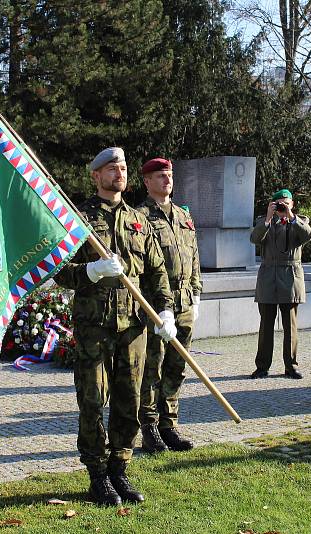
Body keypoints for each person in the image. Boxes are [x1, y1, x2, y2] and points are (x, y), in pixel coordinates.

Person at [53, 147, 175, 506]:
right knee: (92, 401)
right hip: (95, 327)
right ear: (95, 176)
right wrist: (90, 271)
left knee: (129, 401)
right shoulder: (79, 219)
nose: (118, 172)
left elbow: (157, 272)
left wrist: (165, 311)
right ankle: (97, 475)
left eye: (121, 167)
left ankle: (119, 468)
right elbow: (59, 270)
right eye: (110, 167)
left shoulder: (140, 220)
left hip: (133, 329)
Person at [135, 157, 201, 454]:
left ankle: (168, 423)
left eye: (170, 175)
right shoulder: (139, 217)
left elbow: (195, 259)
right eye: (160, 176)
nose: (167, 180)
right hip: (154, 305)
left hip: (184, 302)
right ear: (147, 182)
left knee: (177, 366)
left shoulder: (183, 216)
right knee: (153, 366)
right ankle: (148, 426)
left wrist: (196, 294)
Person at [249, 188, 311, 380]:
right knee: (266, 326)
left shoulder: (299, 221)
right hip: (268, 277)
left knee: (291, 326)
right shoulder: (264, 222)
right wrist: (268, 219)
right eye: (279, 204)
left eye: (286, 203)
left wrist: (291, 217)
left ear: (292, 204)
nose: (282, 206)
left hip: (290, 277)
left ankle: (291, 365)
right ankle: (262, 366)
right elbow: (254, 239)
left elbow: (308, 236)